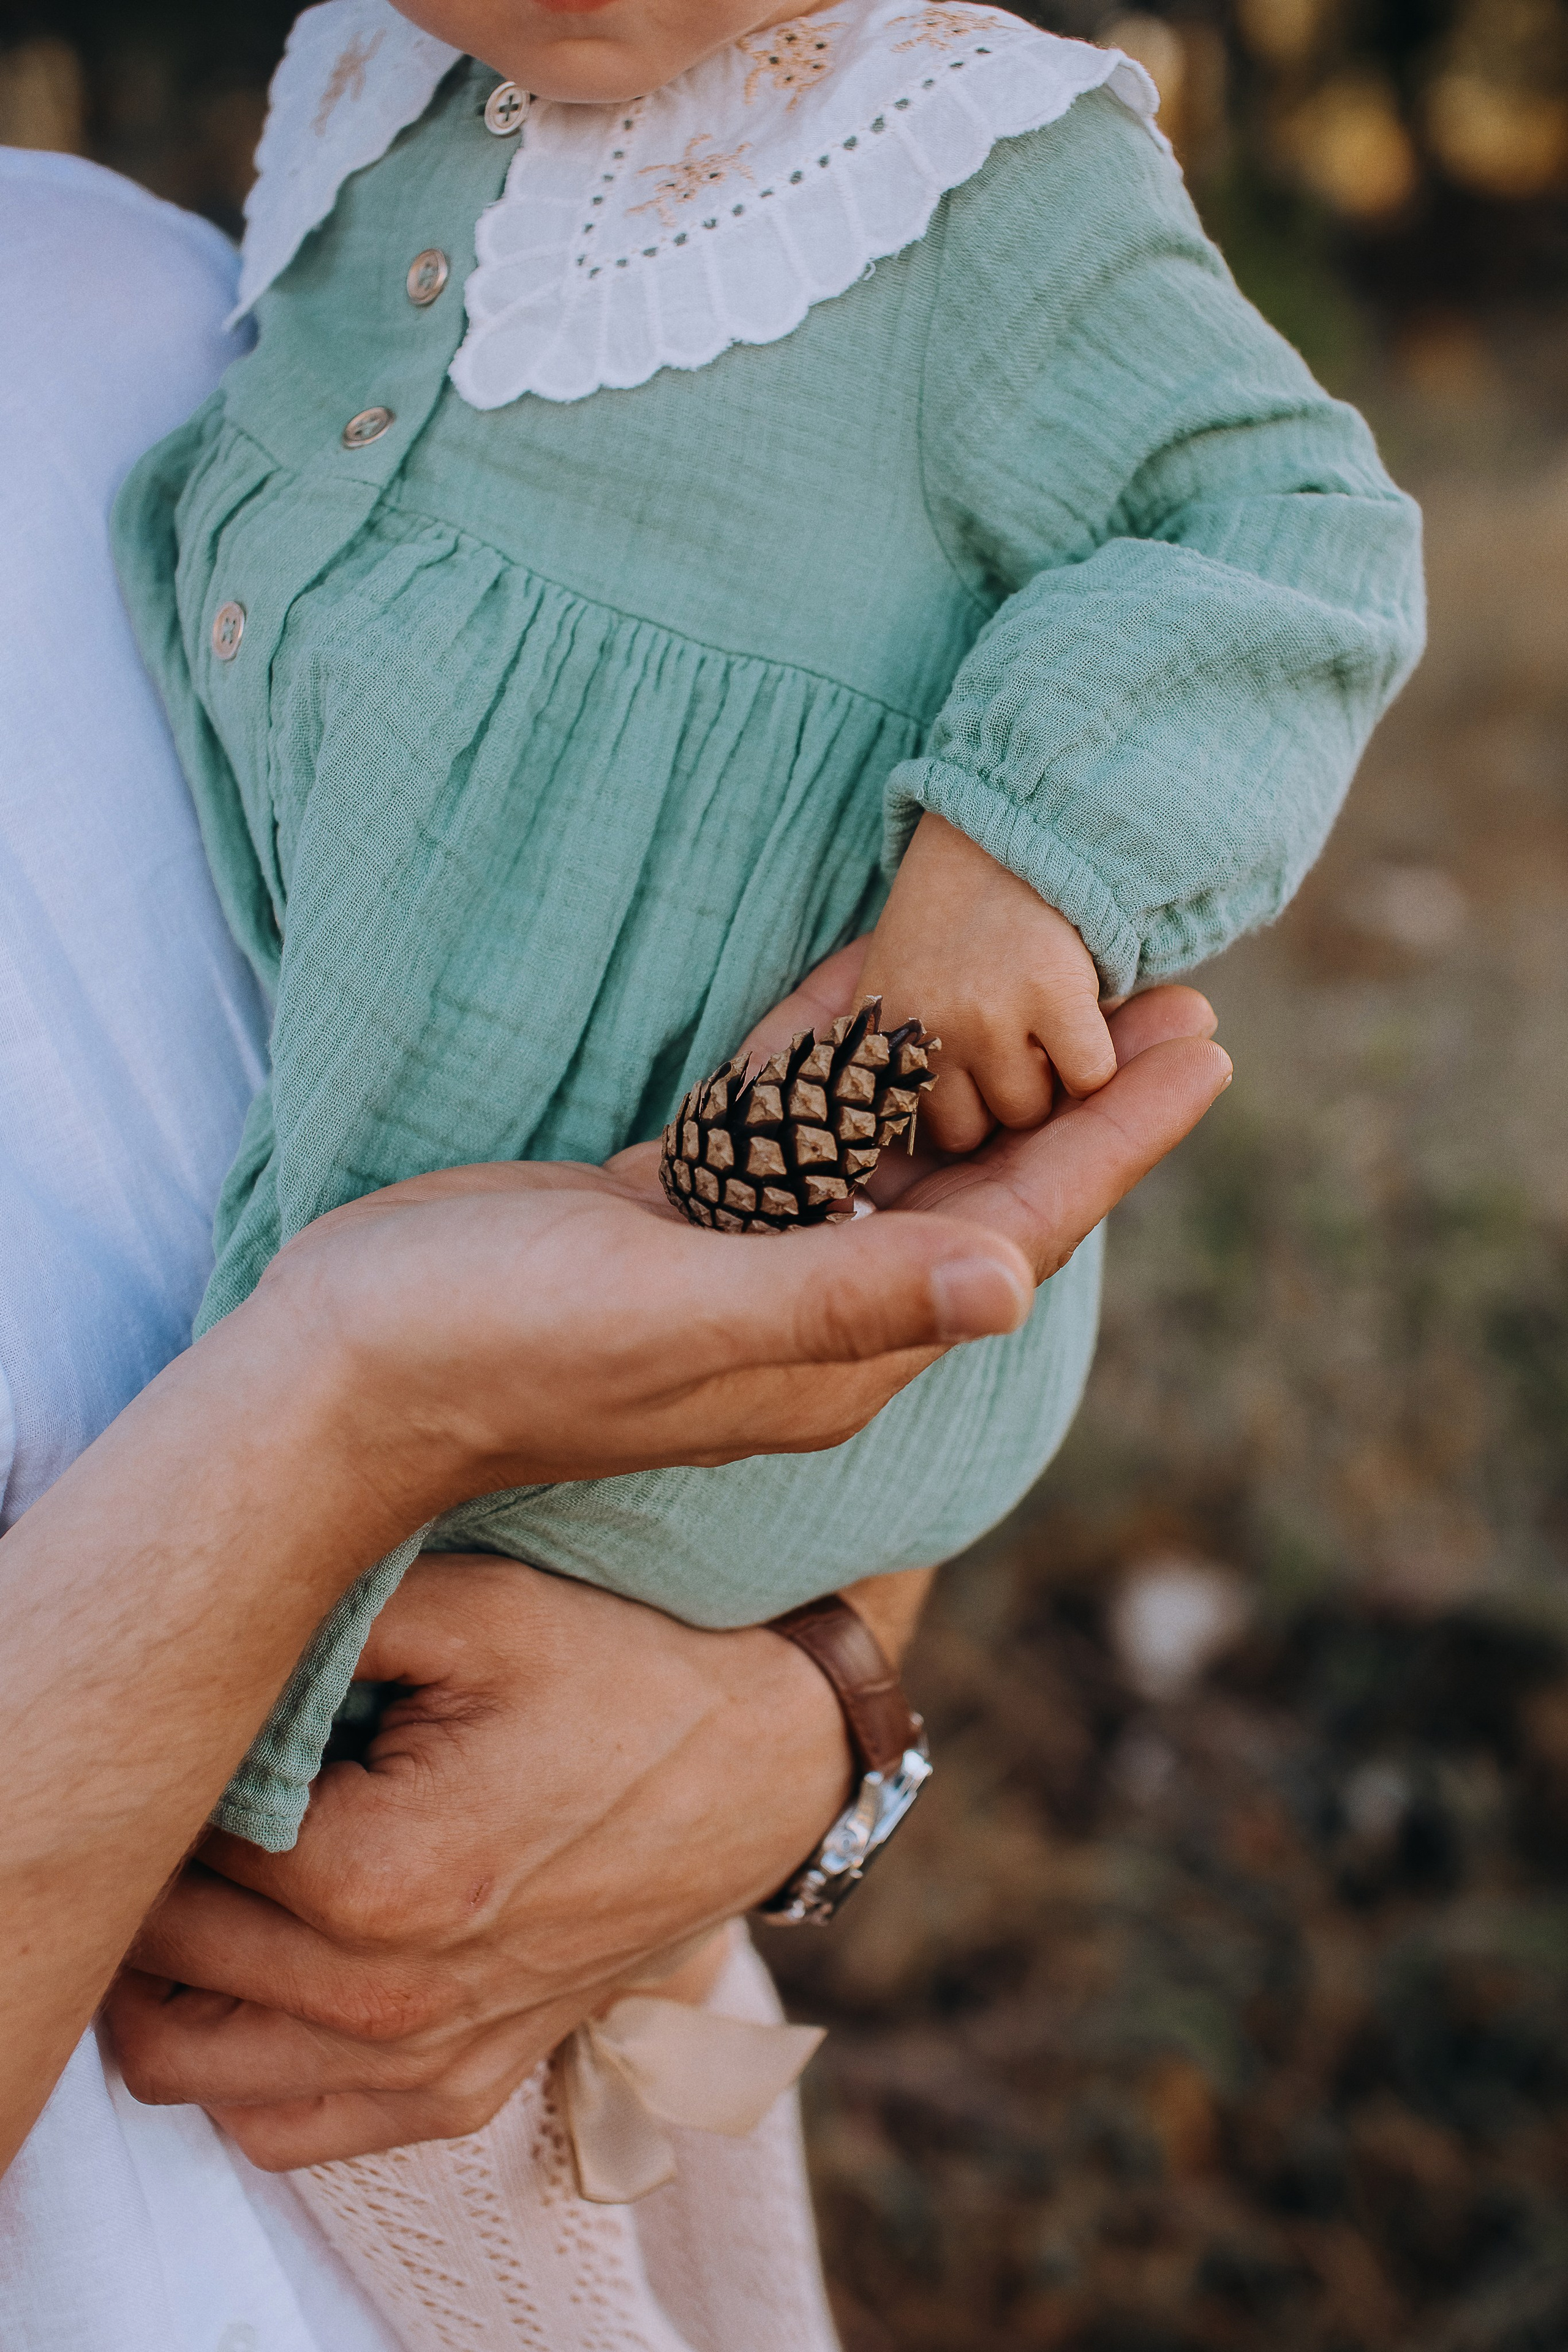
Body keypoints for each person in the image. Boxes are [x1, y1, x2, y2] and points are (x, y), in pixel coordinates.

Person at [0, 138, 1229, 2350]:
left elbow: (724, 1148)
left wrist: (802, 1720)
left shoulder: (176, 296)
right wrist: (336, 1415)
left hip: (573, 2237)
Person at [111, 0, 1426, 1855]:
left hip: (665, 1368)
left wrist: (1019, 846)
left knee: (335, 1910)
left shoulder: (961, 163)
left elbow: (1292, 526)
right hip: (324, 1373)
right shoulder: (371, 96)